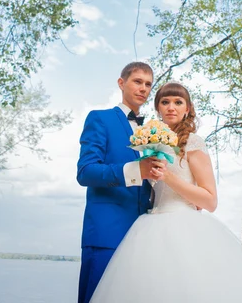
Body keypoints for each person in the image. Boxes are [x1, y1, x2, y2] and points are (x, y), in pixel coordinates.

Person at [90, 82, 242, 303]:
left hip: (184, 226)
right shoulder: (151, 144)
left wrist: (168, 176)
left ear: (188, 109)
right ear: (158, 109)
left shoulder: (193, 143)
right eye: (165, 102)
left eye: (178, 102)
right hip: (149, 226)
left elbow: (210, 200)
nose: (171, 107)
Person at [76, 62, 166, 303]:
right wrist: (136, 170)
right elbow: (85, 172)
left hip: (142, 237)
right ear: (121, 83)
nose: (144, 89)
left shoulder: (152, 132)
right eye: (137, 81)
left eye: (148, 84)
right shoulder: (99, 119)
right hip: (106, 234)